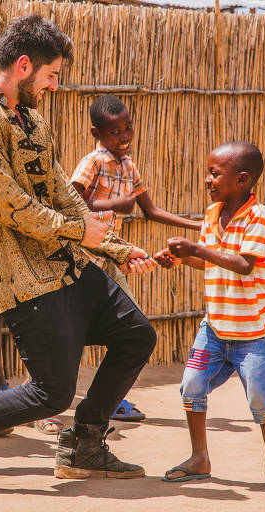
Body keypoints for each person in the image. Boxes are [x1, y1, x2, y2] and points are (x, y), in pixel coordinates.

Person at [0, 15, 158, 496]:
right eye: (52, 74)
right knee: (51, 391)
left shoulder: (30, 117)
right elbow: (8, 204)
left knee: (136, 335)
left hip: (66, 262)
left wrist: (115, 247)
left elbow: (60, 189)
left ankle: (84, 444)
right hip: (20, 274)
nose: (55, 85)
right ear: (24, 65)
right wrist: (83, 231)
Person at [154, 142, 265, 494]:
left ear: (242, 179)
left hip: (254, 334)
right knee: (191, 385)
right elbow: (209, 259)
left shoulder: (257, 215)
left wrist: (197, 249)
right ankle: (199, 457)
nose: (208, 179)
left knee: (261, 400)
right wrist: (184, 258)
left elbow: (245, 264)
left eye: (215, 174)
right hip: (214, 328)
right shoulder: (212, 213)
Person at [70, 95, 203, 423]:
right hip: (82, 261)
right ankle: (53, 402)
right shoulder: (93, 162)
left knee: (134, 329)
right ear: (96, 133)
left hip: (112, 260)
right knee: (68, 333)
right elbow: (70, 204)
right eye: (115, 131)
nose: (125, 136)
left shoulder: (129, 167)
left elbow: (151, 211)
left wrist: (201, 225)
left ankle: (112, 400)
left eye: (128, 128)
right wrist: (112, 204)